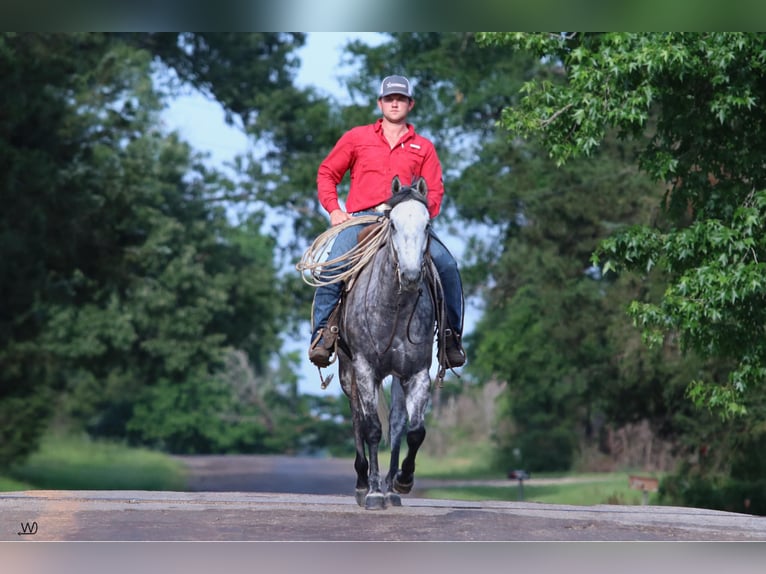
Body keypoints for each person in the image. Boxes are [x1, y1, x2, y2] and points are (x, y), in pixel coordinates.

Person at [308, 74, 465, 370]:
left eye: (401, 99)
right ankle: (322, 335)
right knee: (332, 266)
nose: (395, 103)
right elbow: (327, 173)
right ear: (380, 103)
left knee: (447, 266)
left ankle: (450, 338)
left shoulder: (424, 147)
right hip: (362, 219)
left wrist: (418, 216)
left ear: (410, 104)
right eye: (389, 98)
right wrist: (334, 210)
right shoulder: (357, 138)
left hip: (407, 224)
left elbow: (435, 190)